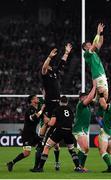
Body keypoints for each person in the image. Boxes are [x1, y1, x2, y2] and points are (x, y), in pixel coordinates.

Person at [31, 43, 72, 172]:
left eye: (49, 63)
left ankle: (50, 159)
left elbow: (62, 64)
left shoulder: (54, 73)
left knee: (54, 140)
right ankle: (38, 162)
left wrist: (66, 53)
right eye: (48, 64)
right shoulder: (45, 74)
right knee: (44, 134)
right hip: (50, 105)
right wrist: (49, 56)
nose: (49, 65)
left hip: (56, 105)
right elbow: (43, 67)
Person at [33, 96, 83, 172]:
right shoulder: (70, 110)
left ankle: (40, 168)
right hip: (69, 131)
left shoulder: (57, 109)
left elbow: (52, 123)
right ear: (67, 102)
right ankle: (78, 167)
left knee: (47, 147)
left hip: (60, 131)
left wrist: (48, 121)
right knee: (72, 150)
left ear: (60, 102)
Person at [6, 95, 46, 172]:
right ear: (32, 100)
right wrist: (41, 110)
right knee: (27, 153)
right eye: (36, 98)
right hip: (27, 134)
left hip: (33, 133)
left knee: (41, 146)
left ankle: (37, 167)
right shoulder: (30, 109)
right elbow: (32, 118)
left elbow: (41, 117)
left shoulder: (36, 109)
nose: (38, 99)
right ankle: (11, 163)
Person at [73, 80, 96, 171]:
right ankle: (77, 167)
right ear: (82, 98)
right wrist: (94, 87)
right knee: (84, 148)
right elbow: (90, 98)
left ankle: (80, 166)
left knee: (86, 149)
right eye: (85, 97)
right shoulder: (80, 105)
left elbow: (94, 98)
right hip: (79, 129)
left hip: (84, 129)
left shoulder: (87, 106)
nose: (87, 99)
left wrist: (99, 91)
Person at [82, 23, 108, 102]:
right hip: (98, 75)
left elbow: (100, 42)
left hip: (100, 74)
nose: (91, 45)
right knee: (105, 96)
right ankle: (101, 109)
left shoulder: (94, 52)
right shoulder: (86, 54)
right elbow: (94, 45)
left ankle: (95, 101)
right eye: (89, 45)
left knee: (101, 96)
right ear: (85, 48)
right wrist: (98, 33)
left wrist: (101, 32)